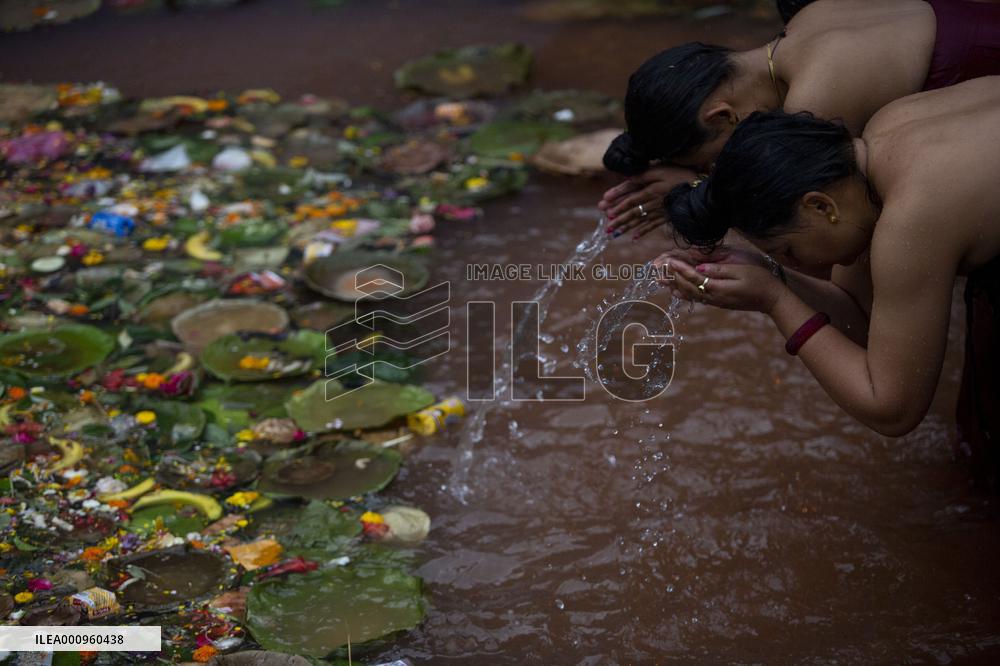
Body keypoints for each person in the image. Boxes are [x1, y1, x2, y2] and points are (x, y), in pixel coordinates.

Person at [655, 77, 1000, 487]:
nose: (801, 263)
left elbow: (893, 409)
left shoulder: (910, 220)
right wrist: (770, 274)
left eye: (788, 251)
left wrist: (775, 301)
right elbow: (862, 319)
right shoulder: (882, 136)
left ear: (820, 206)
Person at [601, 0, 1000, 240]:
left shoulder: (816, 101)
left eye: (712, 160)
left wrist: (698, 189)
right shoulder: (810, 18)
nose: (720, 165)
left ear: (722, 116)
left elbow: (837, 241)